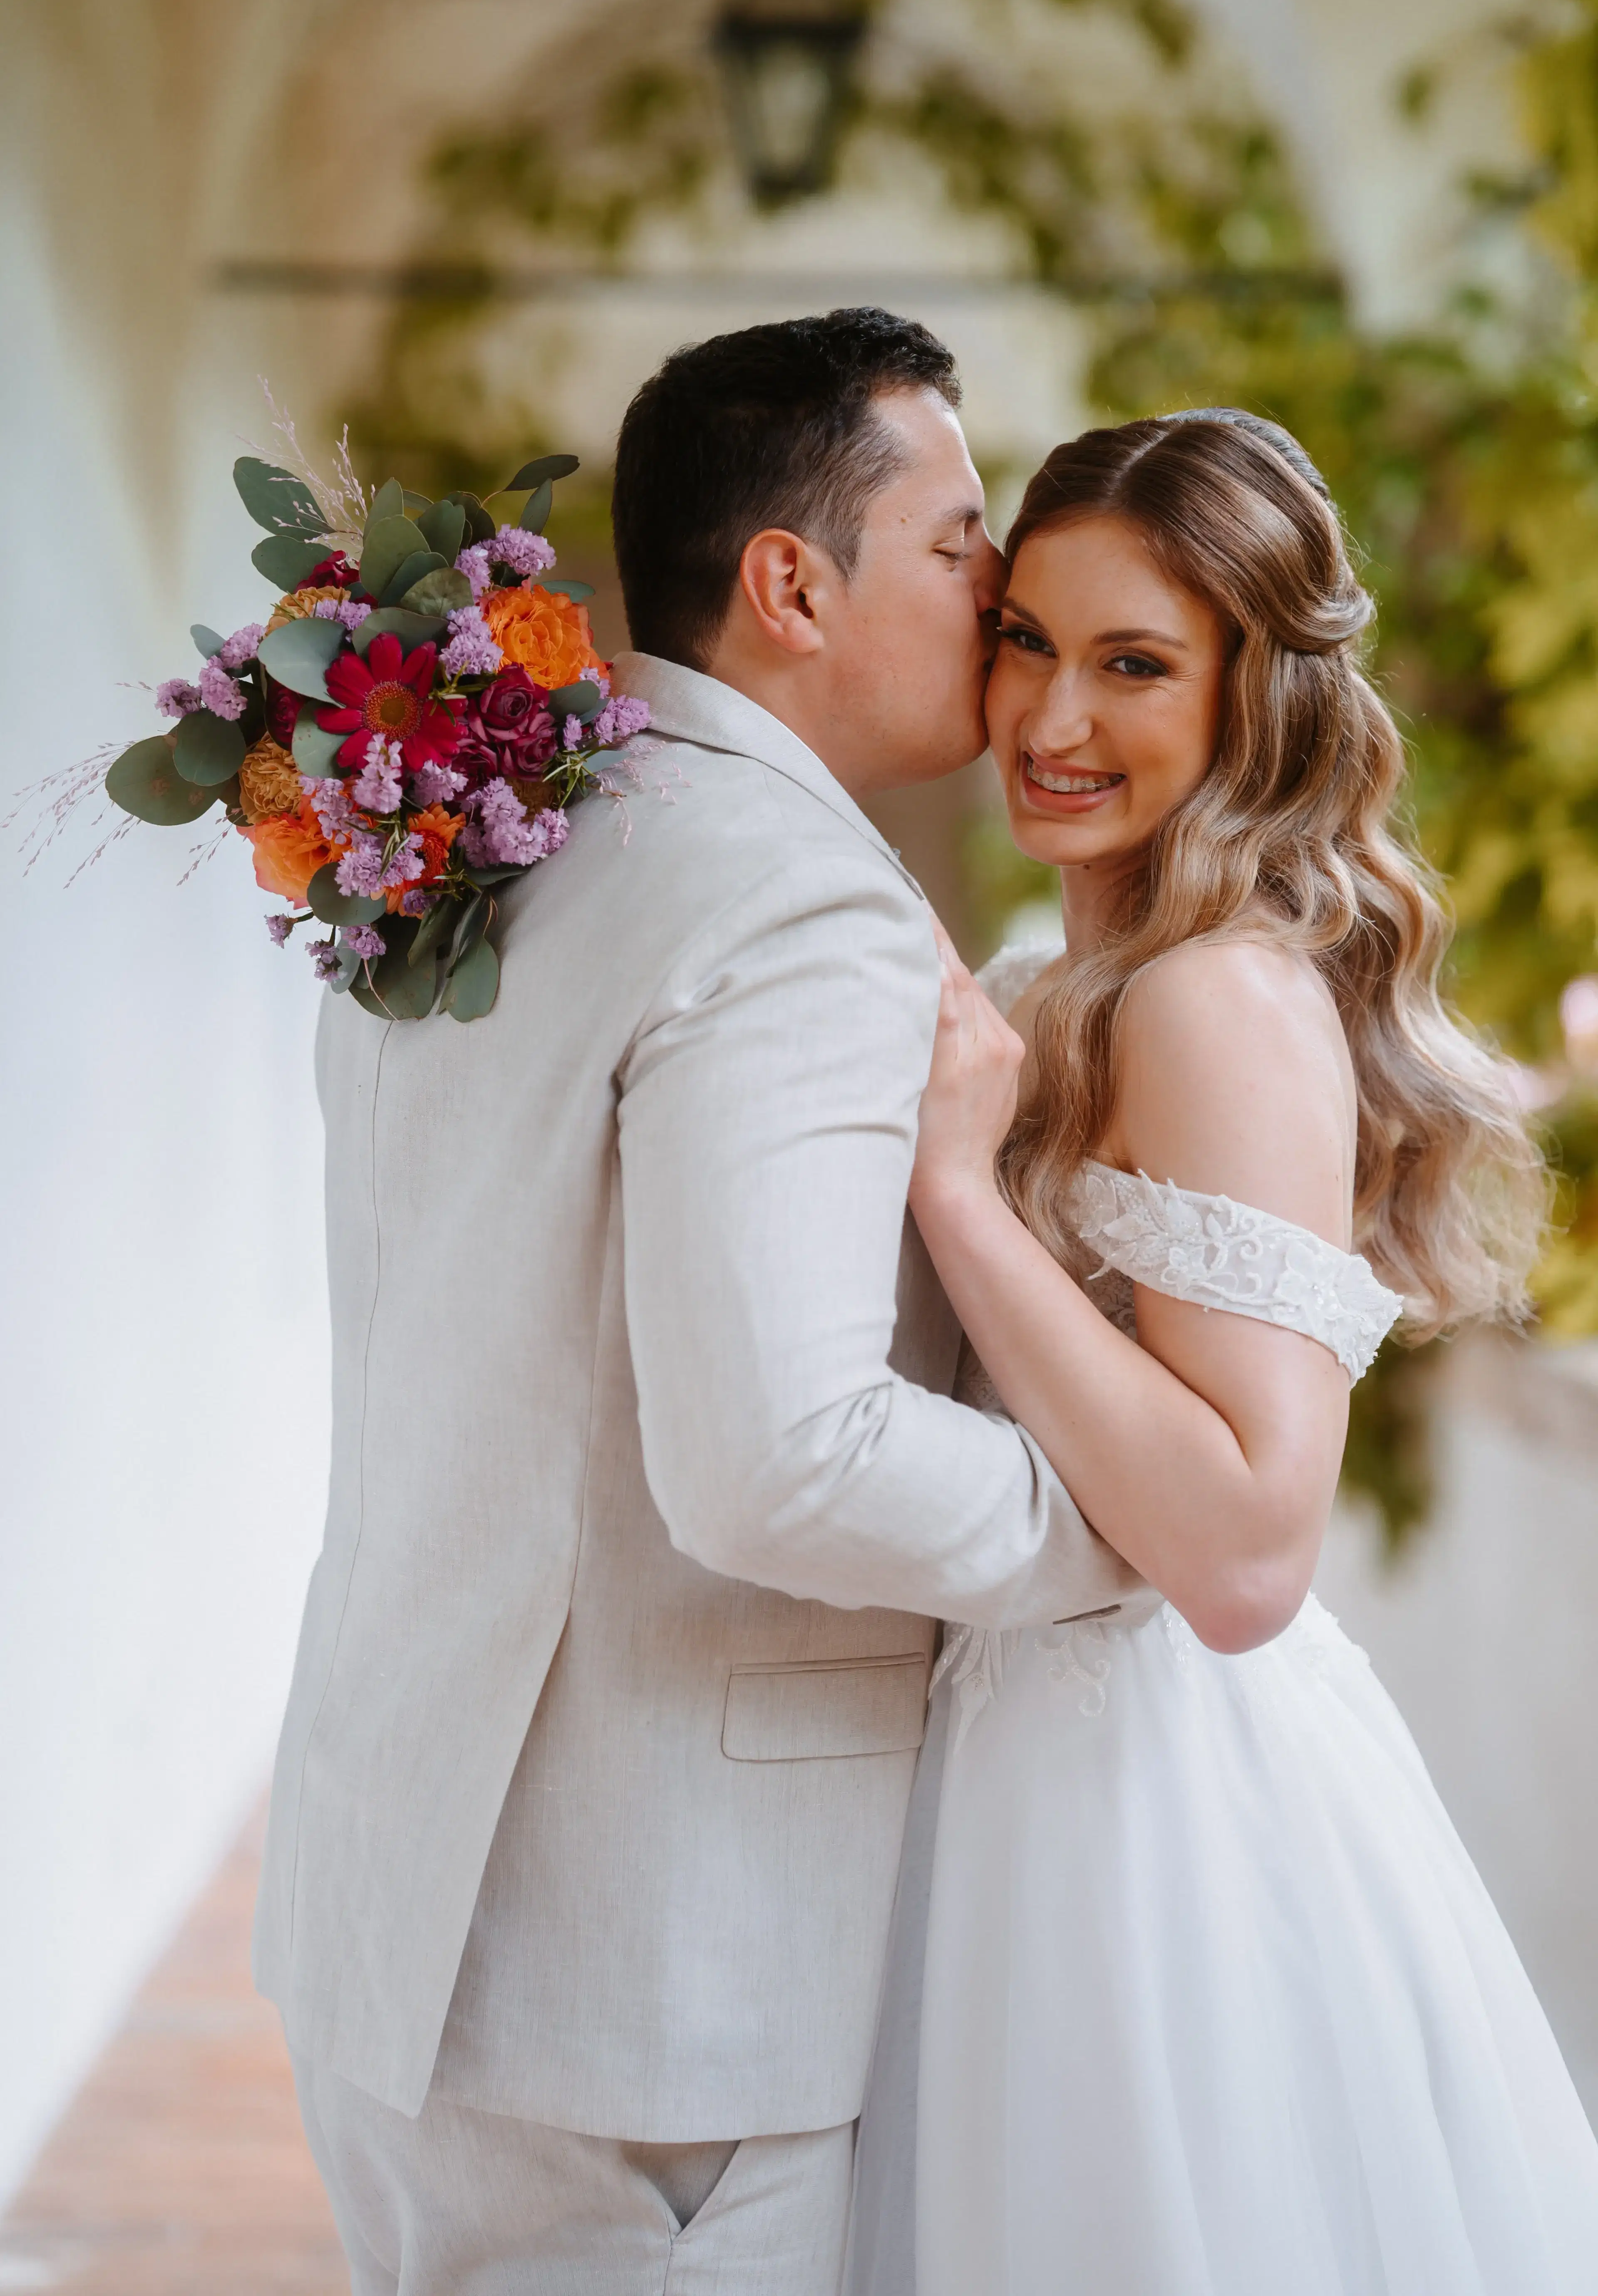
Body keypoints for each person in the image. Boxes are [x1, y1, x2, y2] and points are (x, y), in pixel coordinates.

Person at [253, 310, 1152, 2294]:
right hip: (657, 1986)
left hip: (399, 1906)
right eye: (958, 541)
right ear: (789, 584)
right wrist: (1125, 1523)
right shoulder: (792, 895)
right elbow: (784, 1457)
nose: (997, 593)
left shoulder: (482, 845)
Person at [846, 409, 1598, 2294]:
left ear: (1255, 696)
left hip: (1146, 1823)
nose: (1053, 716)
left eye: (1135, 664)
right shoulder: (1066, 978)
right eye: (1028, 636)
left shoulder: (1215, 999)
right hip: (1013, 1771)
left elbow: (1254, 1548)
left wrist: (962, 1199)